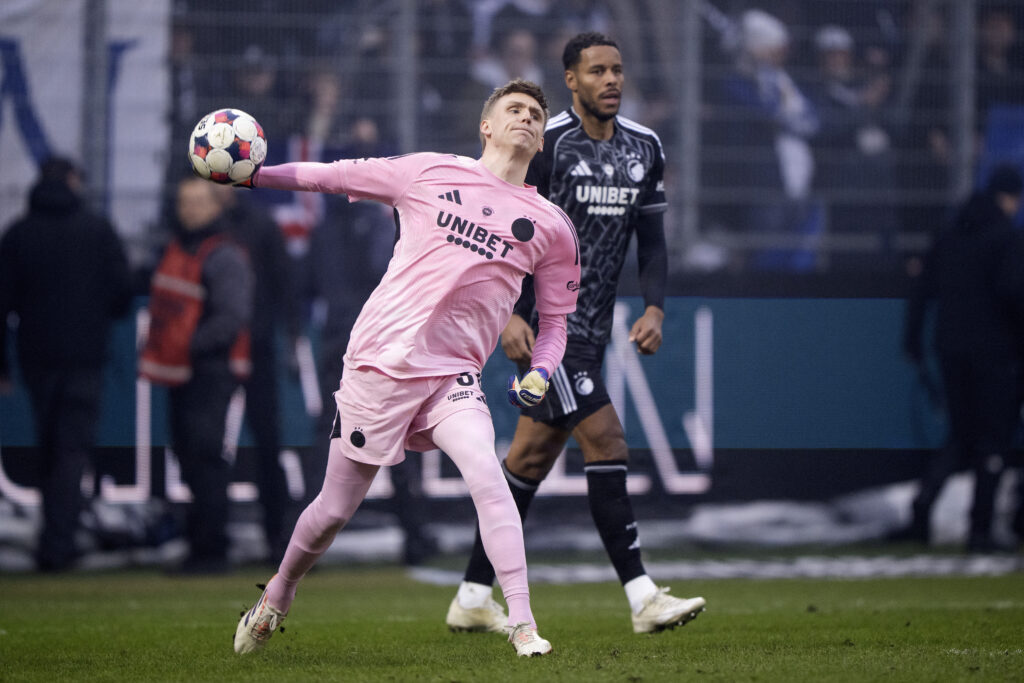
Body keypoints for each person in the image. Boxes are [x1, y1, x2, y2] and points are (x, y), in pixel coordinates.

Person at [232, 78, 579, 658]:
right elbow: (331, 175)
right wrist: (254, 176)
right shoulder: (428, 173)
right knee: (333, 512)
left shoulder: (551, 226)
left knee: (488, 478)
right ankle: (278, 593)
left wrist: (542, 370)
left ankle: (523, 624)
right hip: (381, 363)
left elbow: (557, 325)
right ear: (486, 126)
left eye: (535, 116)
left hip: (452, 375)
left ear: (541, 141)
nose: (526, 118)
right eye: (514, 109)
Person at [445, 32, 706, 637]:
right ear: (571, 80)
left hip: (593, 333)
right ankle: (643, 597)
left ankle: (471, 595)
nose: (611, 80)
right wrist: (511, 313)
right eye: (597, 71)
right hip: (545, 333)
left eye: (617, 70)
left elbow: (653, 241)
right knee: (607, 439)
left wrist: (656, 309)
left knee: (529, 460)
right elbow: (505, 226)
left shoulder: (645, 147)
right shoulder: (550, 144)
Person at [0, 157, 134, 571]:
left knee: (48, 445)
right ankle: (60, 542)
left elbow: (2, 302)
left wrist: (3, 364)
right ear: (73, 181)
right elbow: (123, 292)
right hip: (85, 358)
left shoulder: (19, 234)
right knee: (72, 449)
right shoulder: (96, 230)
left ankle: (53, 539)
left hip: (37, 357)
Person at [902, 164, 1024, 553]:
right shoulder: (1005, 237)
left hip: (950, 348)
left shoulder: (951, 231)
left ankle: (921, 511)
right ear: (1011, 198)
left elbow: (922, 288)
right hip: (995, 354)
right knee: (993, 439)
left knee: (959, 434)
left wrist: (912, 340)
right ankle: (980, 528)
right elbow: (1012, 292)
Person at [140, 177, 254, 573]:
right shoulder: (176, 248)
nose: (188, 209)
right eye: (183, 202)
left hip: (209, 370)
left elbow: (232, 316)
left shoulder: (222, 254)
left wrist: (188, 346)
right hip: (181, 371)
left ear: (215, 206)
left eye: (197, 202)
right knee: (188, 456)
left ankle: (211, 549)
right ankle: (201, 544)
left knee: (204, 457)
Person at [216, 184, 298, 565]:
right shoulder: (238, 224)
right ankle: (209, 539)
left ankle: (278, 539)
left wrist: (288, 334)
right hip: (216, 351)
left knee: (266, 444)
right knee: (206, 446)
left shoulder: (259, 225)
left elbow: (284, 283)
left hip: (255, 348)